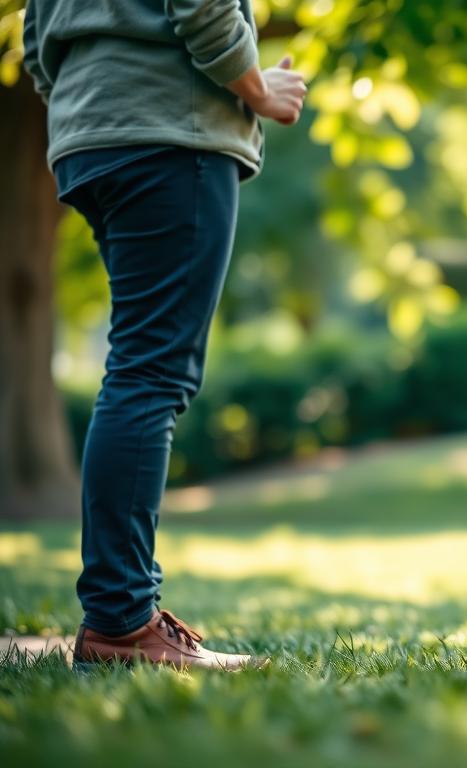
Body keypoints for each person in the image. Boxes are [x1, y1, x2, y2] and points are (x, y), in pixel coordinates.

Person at [22, 0, 306, 670]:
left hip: (88, 140)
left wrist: (92, 100)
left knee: (137, 367)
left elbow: (35, 42)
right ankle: (121, 622)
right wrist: (257, 89)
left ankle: (120, 615)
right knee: (150, 374)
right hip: (170, 135)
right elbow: (203, 8)